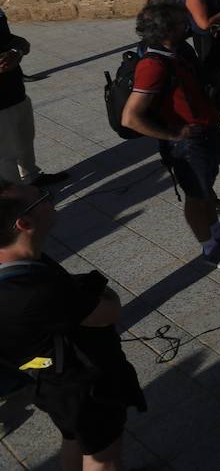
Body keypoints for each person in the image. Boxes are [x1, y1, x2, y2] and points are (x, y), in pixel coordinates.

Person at [0, 181, 146, 471]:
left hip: (53, 383)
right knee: (103, 456)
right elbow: (108, 312)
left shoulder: (15, 270)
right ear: (24, 223)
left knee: (77, 437)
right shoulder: (35, 291)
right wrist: (101, 292)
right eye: (43, 197)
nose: (50, 200)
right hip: (85, 383)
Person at [120, 2, 220, 270]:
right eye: (182, 21)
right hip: (188, 143)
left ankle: (217, 231)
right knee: (196, 195)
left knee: (205, 190)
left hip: (206, 130)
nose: (188, 25)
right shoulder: (153, 65)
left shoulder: (178, 51)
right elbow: (130, 117)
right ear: (168, 28)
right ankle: (210, 248)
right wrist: (173, 134)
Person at [0, 8, 69, 188]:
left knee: (25, 138)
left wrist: (17, 51)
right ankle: (15, 198)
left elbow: (17, 41)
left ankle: (32, 178)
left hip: (14, 89)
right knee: (5, 154)